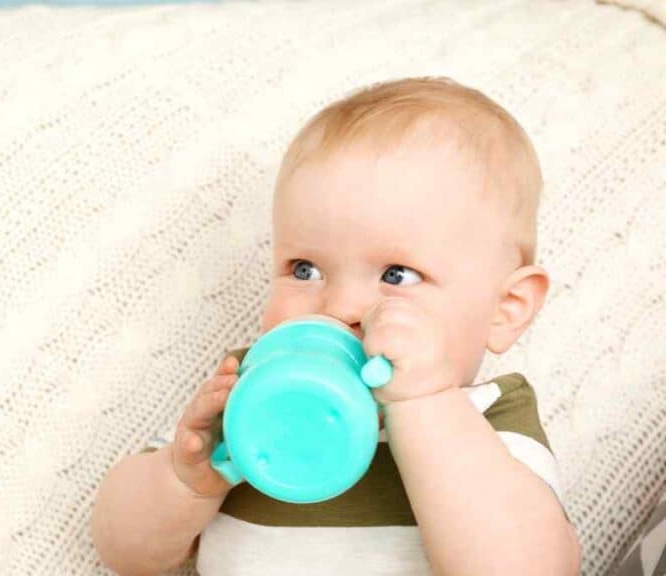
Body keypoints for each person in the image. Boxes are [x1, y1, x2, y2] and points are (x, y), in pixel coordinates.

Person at [92, 76, 582, 575]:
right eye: (304, 269)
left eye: (398, 275)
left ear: (506, 308)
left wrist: (425, 404)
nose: (341, 305)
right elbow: (123, 552)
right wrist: (183, 479)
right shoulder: (248, 397)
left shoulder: (490, 423)